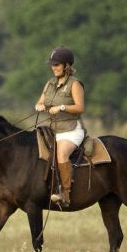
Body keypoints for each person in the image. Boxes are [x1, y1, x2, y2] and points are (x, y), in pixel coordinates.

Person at [34, 46, 86, 206]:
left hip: (71, 130)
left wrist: (62, 107)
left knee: (61, 153)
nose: (53, 67)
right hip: (53, 129)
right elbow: (41, 101)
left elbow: (80, 107)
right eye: (52, 64)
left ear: (66, 65)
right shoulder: (50, 83)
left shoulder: (74, 84)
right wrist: (39, 105)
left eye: (56, 64)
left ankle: (65, 194)